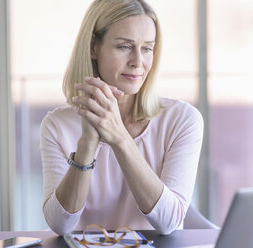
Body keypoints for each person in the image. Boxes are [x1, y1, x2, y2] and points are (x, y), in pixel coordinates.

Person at [40, 0, 203, 236]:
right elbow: (60, 225)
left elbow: (169, 222)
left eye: (147, 48)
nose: (138, 62)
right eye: (125, 46)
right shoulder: (57, 125)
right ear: (94, 47)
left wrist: (119, 137)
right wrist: (87, 144)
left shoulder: (182, 120)